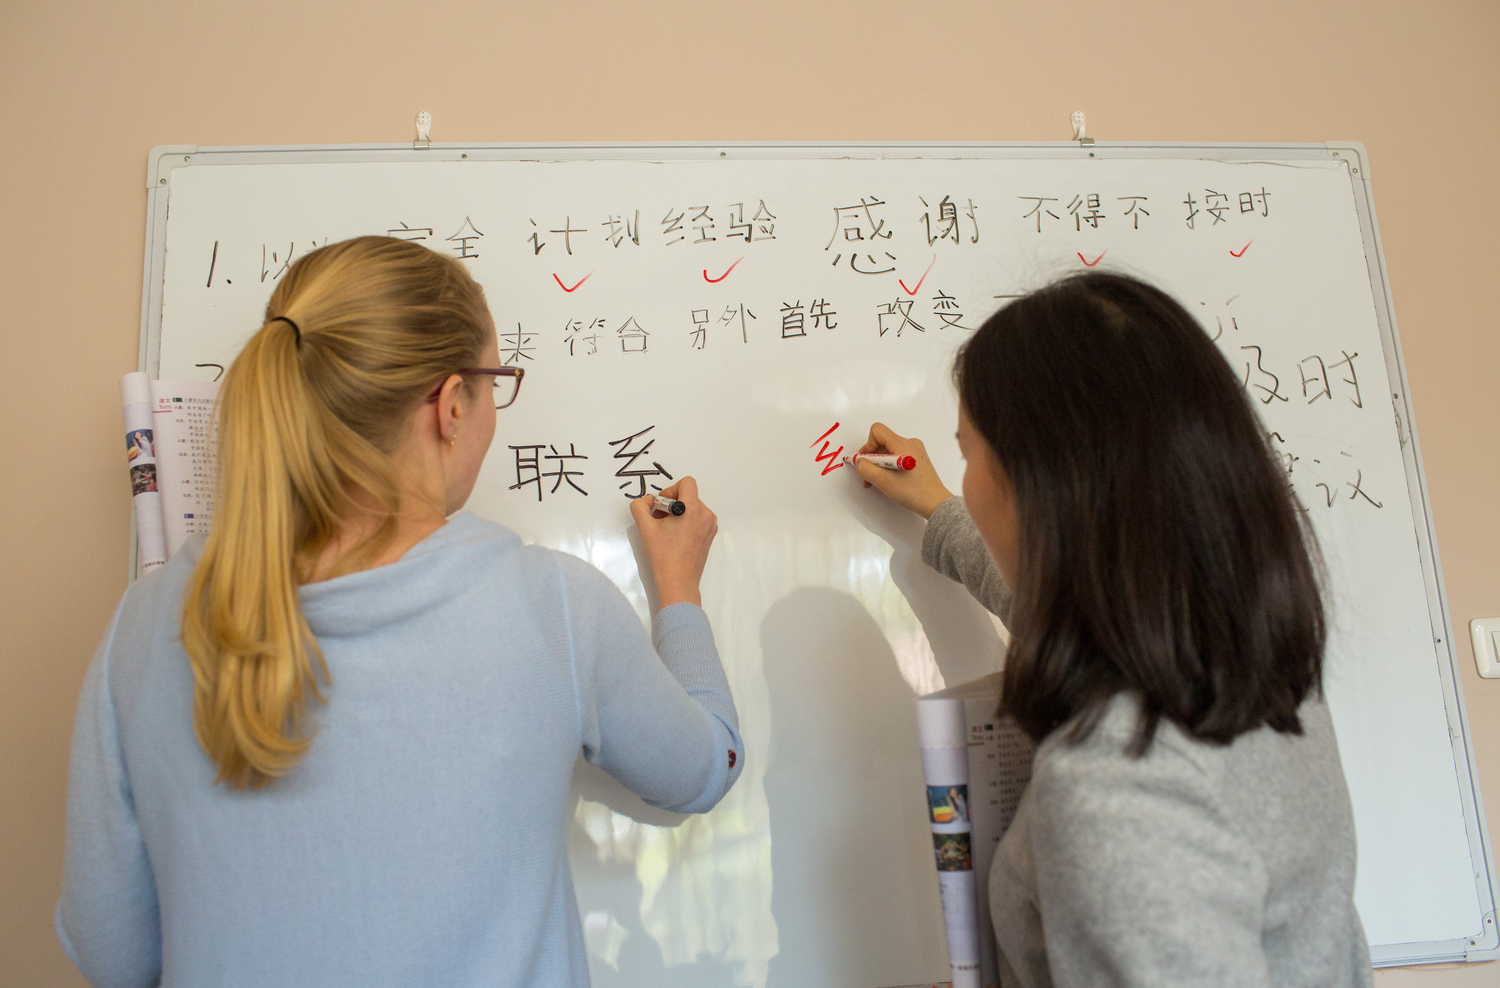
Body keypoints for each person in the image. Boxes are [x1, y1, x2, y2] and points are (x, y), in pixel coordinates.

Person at [57, 236, 743, 988]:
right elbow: (703, 769)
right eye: (495, 383)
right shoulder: (550, 609)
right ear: (452, 406)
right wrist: (679, 590)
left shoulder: (143, 627)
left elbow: (113, 955)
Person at [855, 272, 1371, 988]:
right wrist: (943, 507)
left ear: (1046, 489)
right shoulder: (1253, 675)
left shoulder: (1120, 786)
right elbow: (1058, 607)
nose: (965, 473)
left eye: (970, 452)